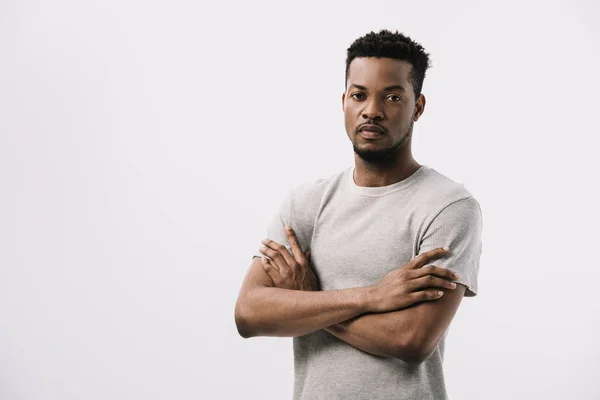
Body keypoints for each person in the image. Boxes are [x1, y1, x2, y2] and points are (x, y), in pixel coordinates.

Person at [234, 29, 483, 400]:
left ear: (418, 106)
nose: (372, 110)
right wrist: (373, 297)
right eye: (359, 95)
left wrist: (310, 299)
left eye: (393, 97)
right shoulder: (306, 204)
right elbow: (249, 313)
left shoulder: (447, 206)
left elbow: (412, 339)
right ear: (344, 101)